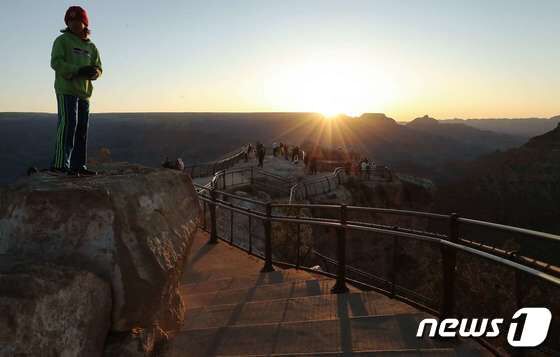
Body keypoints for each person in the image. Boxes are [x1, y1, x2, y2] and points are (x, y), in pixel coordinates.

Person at [50, 6, 102, 176]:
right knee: (67, 125)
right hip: (67, 90)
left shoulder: (91, 47)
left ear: (84, 23)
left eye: (76, 20)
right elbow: (56, 63)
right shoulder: (62, 41)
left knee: (82, 128)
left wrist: (95, 73)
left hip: (84, 93)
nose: (73, 23)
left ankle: (78, 165)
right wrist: (78, 70)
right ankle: (60, 164)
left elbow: (99, 67)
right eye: (70, 21)